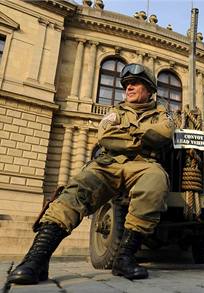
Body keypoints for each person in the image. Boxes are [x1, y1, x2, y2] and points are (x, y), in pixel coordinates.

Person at [7, 63, 174, 284]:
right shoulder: (115, 112)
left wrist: (127, 134)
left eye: (135, 84)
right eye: (126, 85)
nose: (129, 88)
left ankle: (124, 257)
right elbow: (106, 136)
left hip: (143, 165)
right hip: (108, 162)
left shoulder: (163, 114)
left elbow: (165, 133)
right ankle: (36, 259)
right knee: (77, 189)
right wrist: (142, 137)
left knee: (156, 180)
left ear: (150, 90)